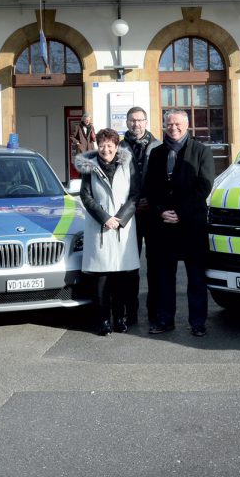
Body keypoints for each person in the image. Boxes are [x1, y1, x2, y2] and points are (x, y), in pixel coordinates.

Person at [141, 109, 215, 336]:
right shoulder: (157, 153)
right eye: (169, 125)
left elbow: (204, 186)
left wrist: (180, 212)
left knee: (195, 277)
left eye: (177, 124)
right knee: (164, 277)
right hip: (163, 225)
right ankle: (165, 320)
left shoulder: (202, 152)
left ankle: (198, 323)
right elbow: (150, 188)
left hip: (192, 224)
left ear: (187, 125)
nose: (173, 128)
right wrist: (162, 211)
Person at [75, 129, 141, 335]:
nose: (105, 149)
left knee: (121, 276)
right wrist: (105, 218)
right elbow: (85, 196)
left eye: (110, 145)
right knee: (102, 278)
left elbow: (135, 194)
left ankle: (120, 318)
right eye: (102, 145)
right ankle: (103, 320)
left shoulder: (127, 164)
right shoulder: (89, 166)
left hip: (123, 227)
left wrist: (119, 218)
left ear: (116, 145)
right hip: (100, 227)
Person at [122, 105, 160, 326]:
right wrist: (133, 204)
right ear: (127, 123)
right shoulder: (119, 148)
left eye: (139, 120)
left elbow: (165, 181)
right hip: (130, 214)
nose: (136, 124)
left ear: (146, 122)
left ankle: (155, 312)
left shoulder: (159, 146)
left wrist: (151, 201)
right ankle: (131, 312)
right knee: (129, 266)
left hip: (153, 215)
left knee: (154, 267)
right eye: (132, 120)